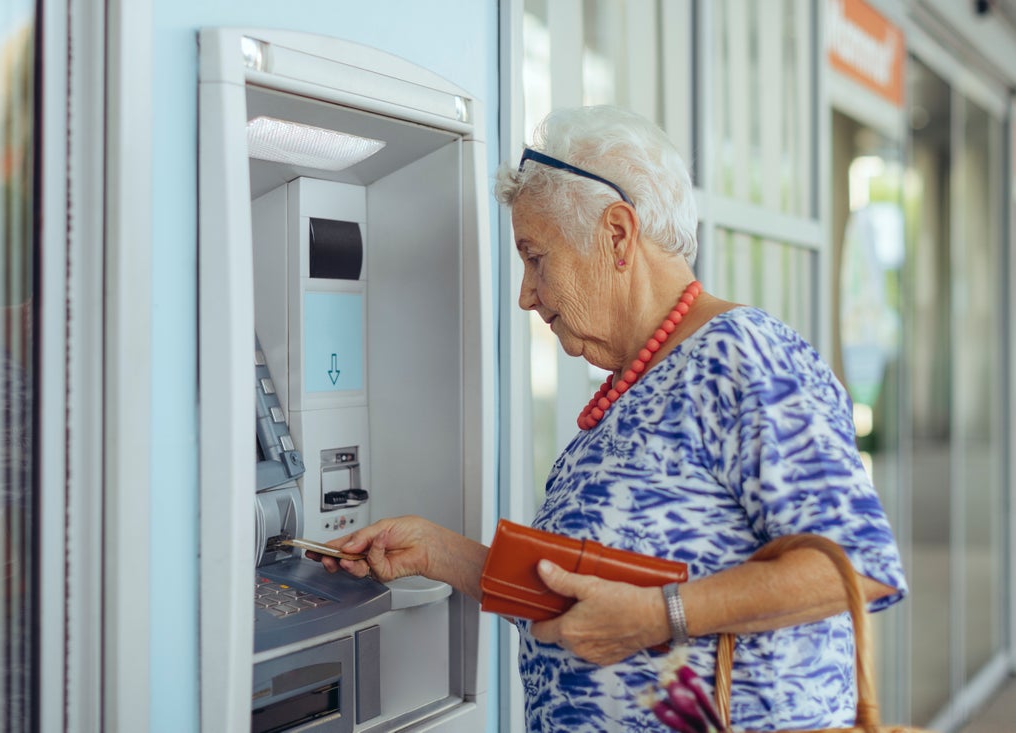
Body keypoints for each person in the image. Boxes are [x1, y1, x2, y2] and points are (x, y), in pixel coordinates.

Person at [313, 105, 907, 732]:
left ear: (618, 235)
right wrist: (437, 553)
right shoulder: (635, 384)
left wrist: (662, 615)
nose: (526, 294)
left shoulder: (745, 355)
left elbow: (856, 566)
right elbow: (586, 597)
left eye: (536, 258)